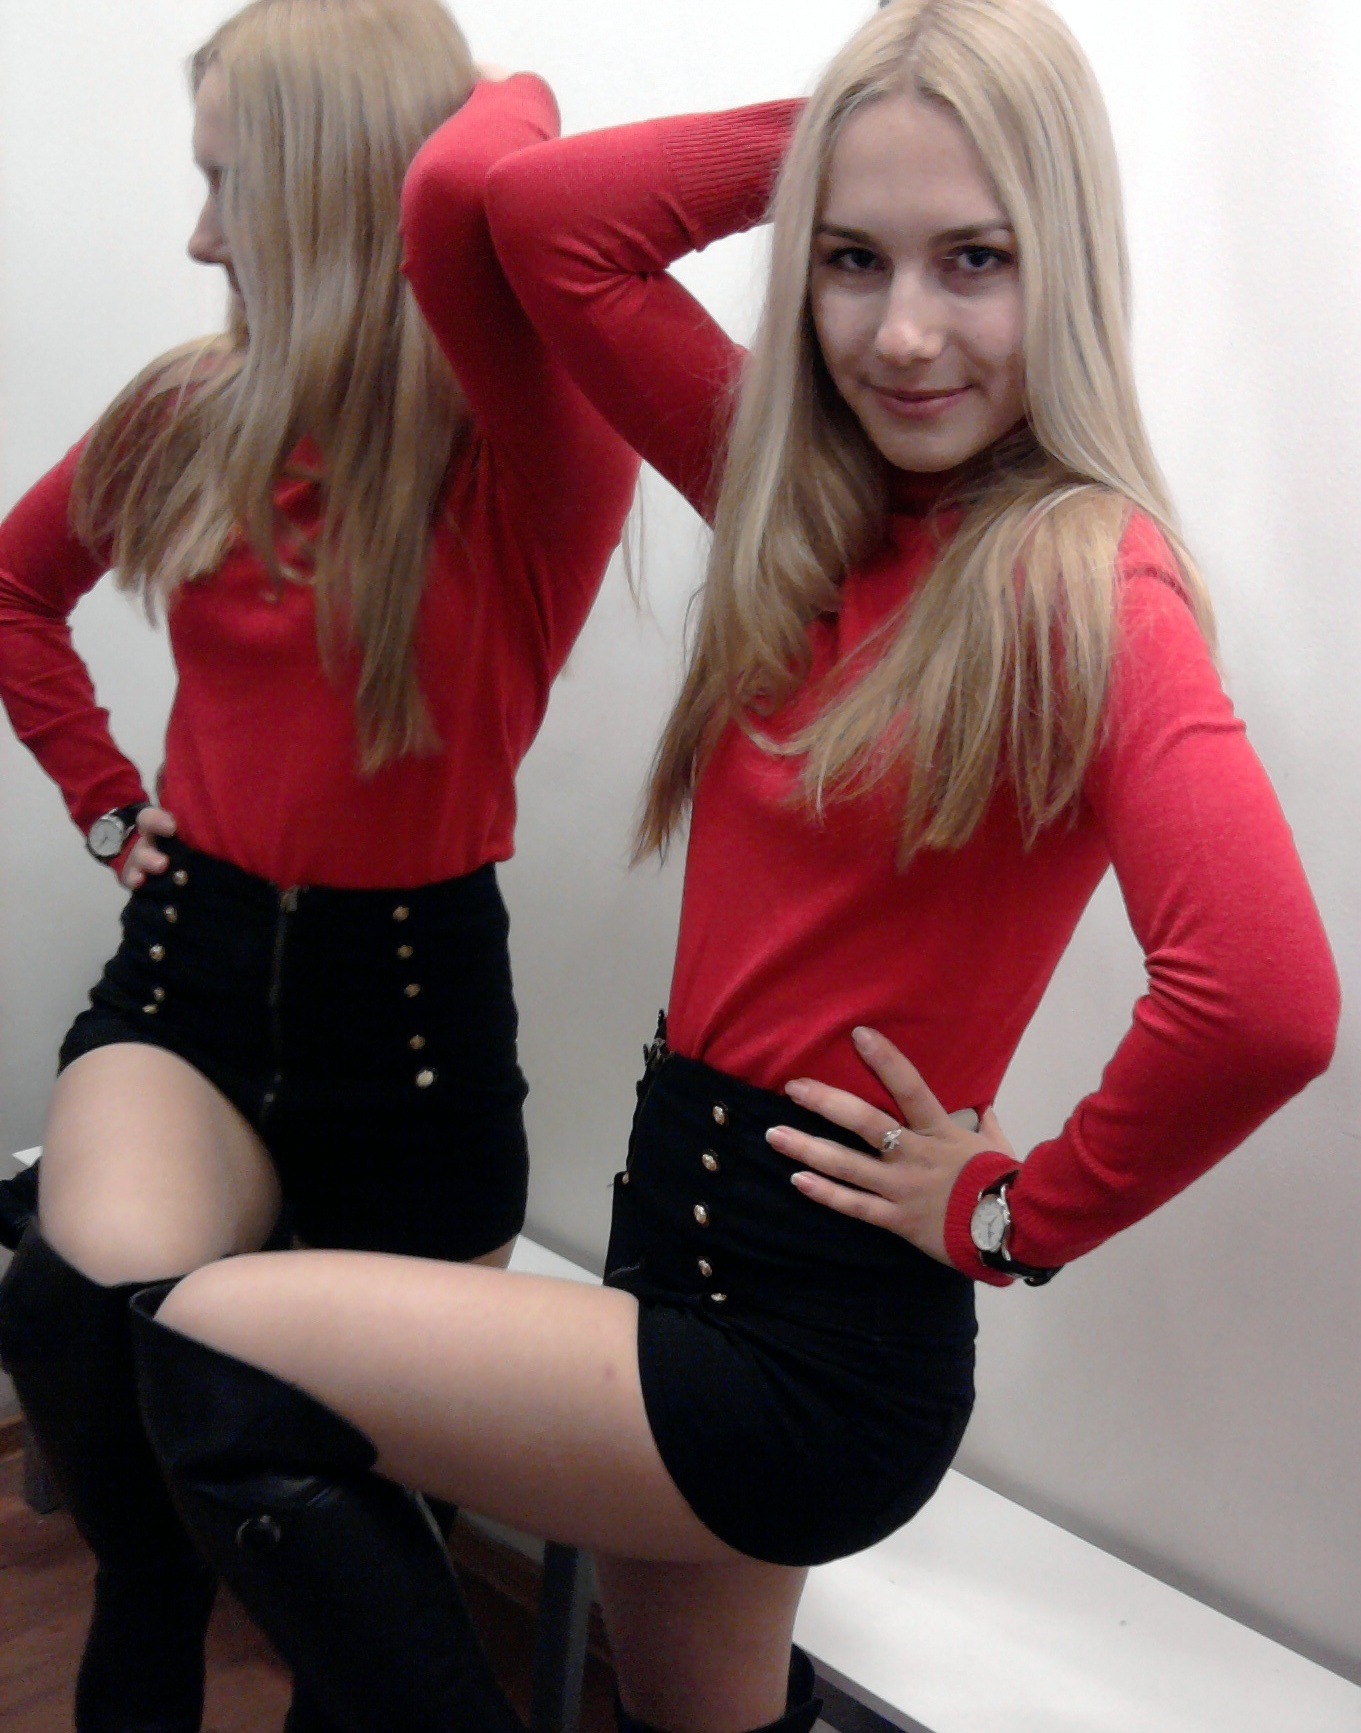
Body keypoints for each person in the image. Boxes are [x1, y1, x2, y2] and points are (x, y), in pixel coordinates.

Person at [123, 2, 1339, 1730]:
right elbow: (520, 209)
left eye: (975, 257)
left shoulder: (1085, 583)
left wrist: (1015, 1212)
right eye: (849, 258)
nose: (901, 332)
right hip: (679, 1245)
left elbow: (1265, 1001)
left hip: (808, 1345)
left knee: (213, 1355)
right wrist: (853, 111)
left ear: (1063, 257)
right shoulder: (804, 514)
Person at [0, 1, 636, 1729]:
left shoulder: (529, 452)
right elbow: (14, 588)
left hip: (413, 1021)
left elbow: (521, 145)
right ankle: (149, 1605)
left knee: (358, 1522)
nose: (200, 237)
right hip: (192, 969)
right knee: (82, 1316)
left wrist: (414, 125)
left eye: (234, 185)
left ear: (345, 196)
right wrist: (104, 799)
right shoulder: (190, 408)